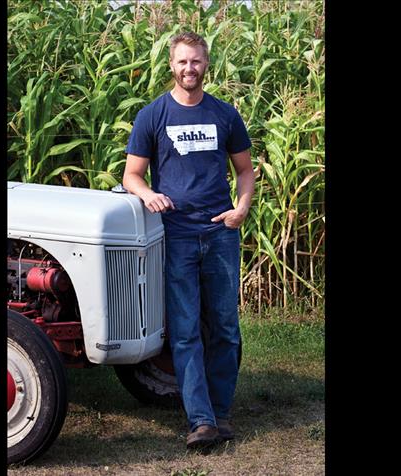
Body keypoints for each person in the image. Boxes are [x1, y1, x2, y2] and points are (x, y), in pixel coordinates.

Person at [123, 31, 255, 449]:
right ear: (172, 65)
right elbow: (131, 174)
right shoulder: (153, 115)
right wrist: (148, 194)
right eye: (182, 62)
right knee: (184, 331)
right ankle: (201, 421)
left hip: (219, 232)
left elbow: (245, 170)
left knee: (225, 328)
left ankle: (221, 413)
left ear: (206, 64)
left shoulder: (225, 114)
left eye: (196, 61)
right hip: (177, 234)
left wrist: (241, 208)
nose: (189, 69)